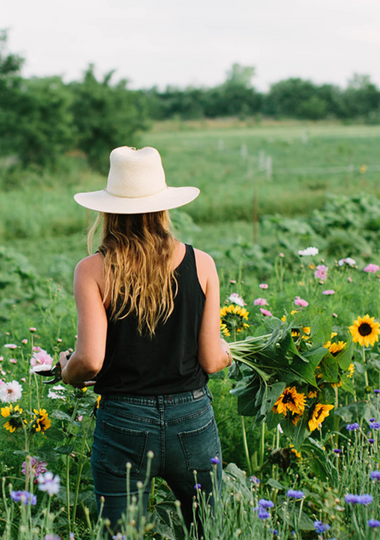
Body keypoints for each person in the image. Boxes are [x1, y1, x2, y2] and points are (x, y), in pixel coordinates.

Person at [59, 146, 231, 535]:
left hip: (123, 420)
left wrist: (66, 370)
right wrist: (229, 355)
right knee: (210, 529)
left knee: (121, 532)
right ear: (163, 207)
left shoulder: (93, 270)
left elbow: (89, 361)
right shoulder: (201, 263)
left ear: (109, 210)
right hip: (192, 419)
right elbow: (211, 360)